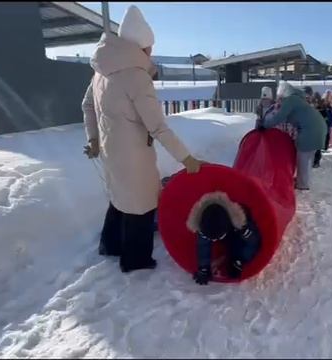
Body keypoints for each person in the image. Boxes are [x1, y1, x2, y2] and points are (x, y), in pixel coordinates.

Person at [82, 5, 203, 273]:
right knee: (142, 203)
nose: (151, 53)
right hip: (135, 155)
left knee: (118, 197)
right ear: (143, 47)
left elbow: (87, 106)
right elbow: (158, 126)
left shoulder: (101, 70)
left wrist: (93, 139)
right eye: (150, 48)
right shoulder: (136, 76)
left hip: (110, 151)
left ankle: (110, 245)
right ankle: (135, 260)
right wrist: (187, 158)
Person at [259, 81, 327, 190]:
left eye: (280, 96)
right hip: (319, 128)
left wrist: (264, 125)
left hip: (309, 131)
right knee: (308, 157)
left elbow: (279, 117)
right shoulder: (299, 101)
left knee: (302, 158)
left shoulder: (291, 100)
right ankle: (304, 180)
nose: (279, 99)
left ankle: (302, 185)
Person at [186, 192, 261, 285]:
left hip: (236, 230)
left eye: (217, 238)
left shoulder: (240, 223)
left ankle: (234, 257)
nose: (214, 241)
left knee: (237, 244)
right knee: (207, 240)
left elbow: (253, 242)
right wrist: (204, 268)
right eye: (211, 239)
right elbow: (203, 245)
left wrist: (240, 260)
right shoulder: (203, 223)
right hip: (222, 228)